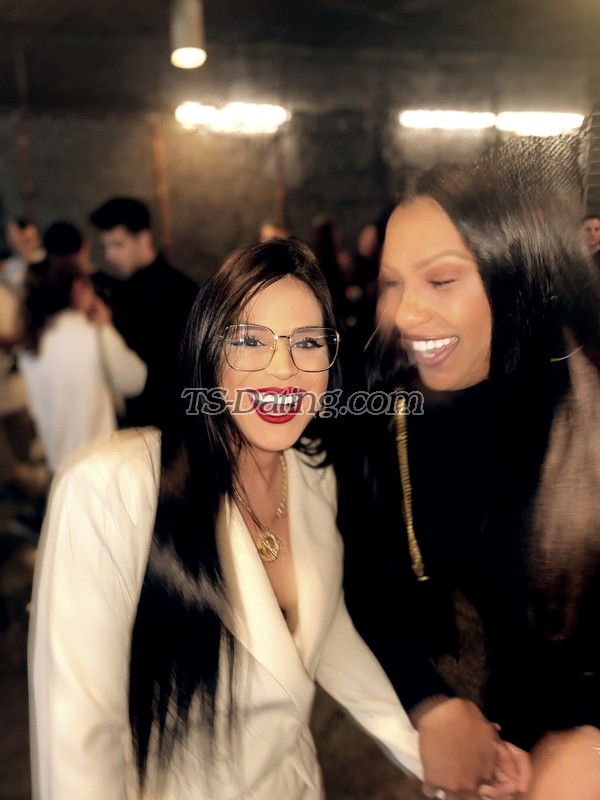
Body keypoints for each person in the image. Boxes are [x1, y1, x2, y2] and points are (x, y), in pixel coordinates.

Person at [28, 239, 427, 800]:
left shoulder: (312, 477)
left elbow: (322, 630)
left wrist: (425, 748)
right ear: (209, 352)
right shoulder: (113, 489)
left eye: (307, 342)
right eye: (250, 340)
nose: (284, 370)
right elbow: (78, 743)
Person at [339, 161, 600, 799]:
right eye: (392, 283)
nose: (405, 313)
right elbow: (367, 571)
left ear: (519, 274)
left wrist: (590, 739)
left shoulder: (586, 399)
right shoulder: (399, 412)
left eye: (442, 280)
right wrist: (432, 703)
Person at [19, 258, 147, 473]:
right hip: (102, 464)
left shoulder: (31, 348)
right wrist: (107, 328)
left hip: (62, 469)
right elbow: (135, 380)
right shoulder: (94, 334)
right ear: (78, 287)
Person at [89, 197, 198, 429]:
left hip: (172, 422)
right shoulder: (175, 286)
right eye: (106, 246)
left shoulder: (180, 291)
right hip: (153, 421)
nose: (109, 255)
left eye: (118, 245)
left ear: (144, 238)